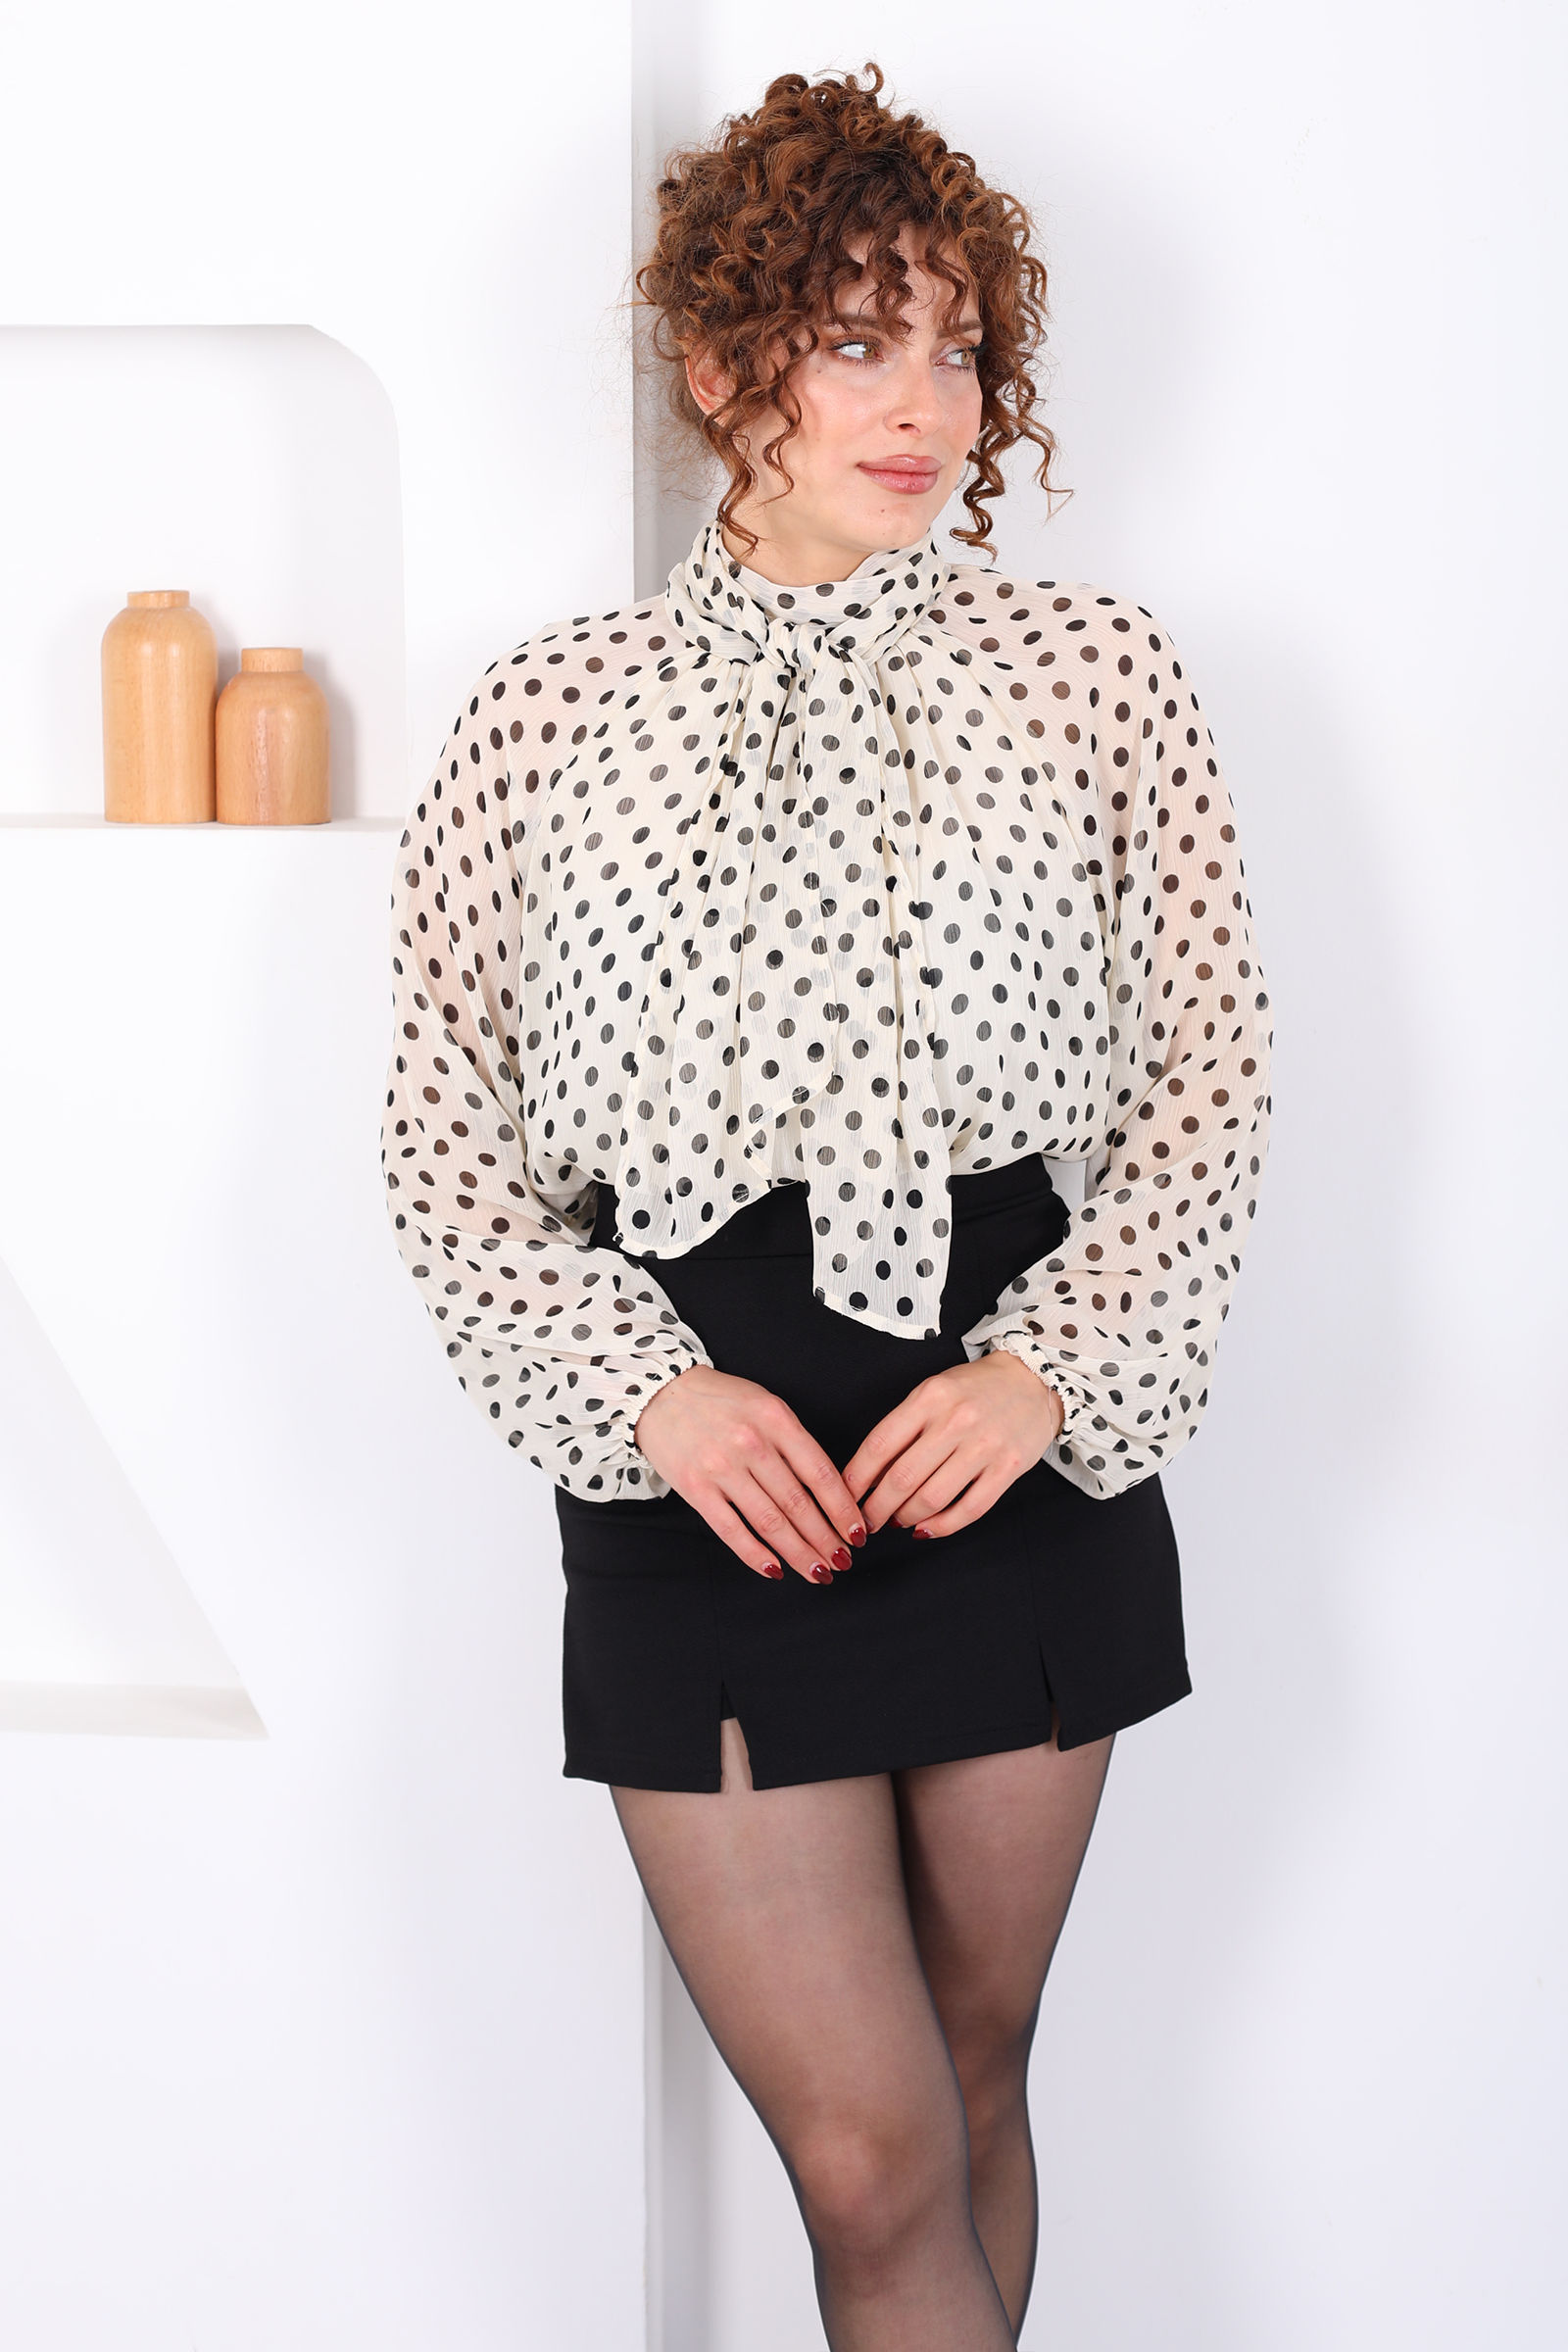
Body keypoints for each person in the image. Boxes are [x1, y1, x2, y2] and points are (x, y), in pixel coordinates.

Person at [380, 61, 1272, 2352]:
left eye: (958, 349)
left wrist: (1047, 1371)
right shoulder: (541, 717)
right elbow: (445, 1141)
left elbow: (1207, 1084)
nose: (923, 404)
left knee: (968, 2083)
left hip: (1019, 1454)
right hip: (695, 1479)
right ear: (719, 369)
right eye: (856, 339)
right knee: (865, 2155)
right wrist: (647, 1401)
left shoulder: (1092, 676)